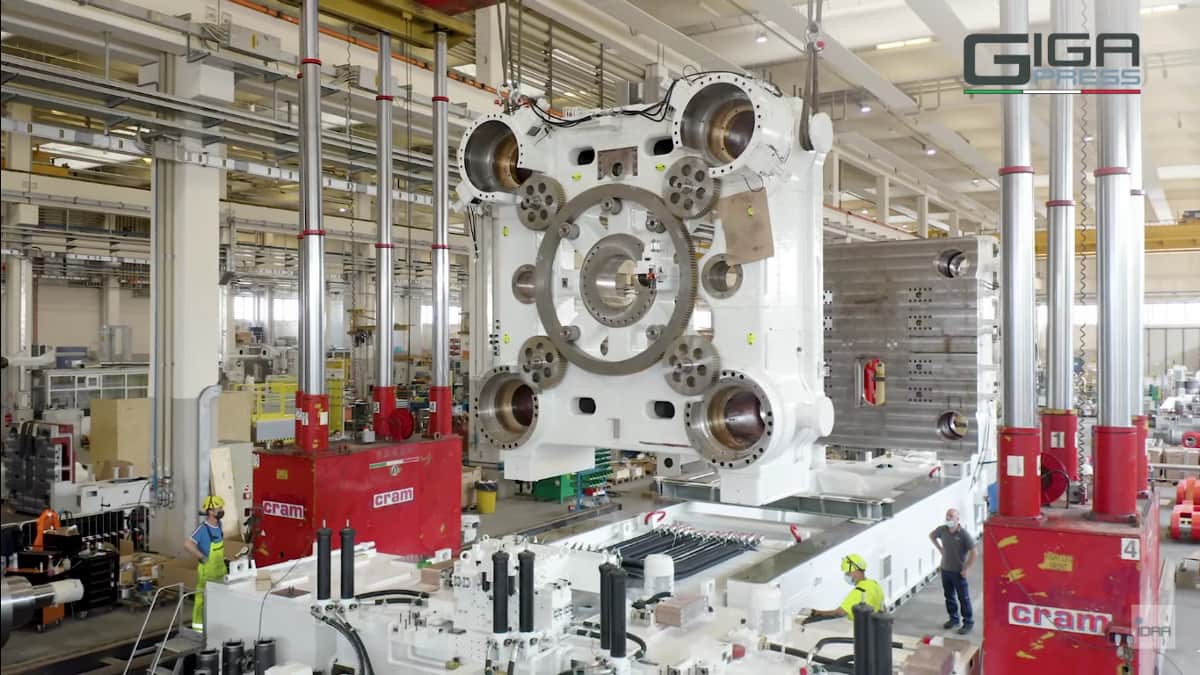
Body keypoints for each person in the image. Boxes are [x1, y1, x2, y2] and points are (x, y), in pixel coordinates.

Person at [930, 508, 976, 634]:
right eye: (947, 515)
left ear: (957, 519)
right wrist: (940, 548)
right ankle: (954, 619)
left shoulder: (963, 535)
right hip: (945, 570)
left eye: (951, 516)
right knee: (949, 596)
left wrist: (966, 568)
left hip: (958, 572)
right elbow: (932, 536)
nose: (948, 518)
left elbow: (974, 552)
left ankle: (968, 622)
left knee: (963, 598)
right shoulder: (942, 530)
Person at [184, 495, 226, 631]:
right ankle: (199, 628)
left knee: (218, 599)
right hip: (207, 571)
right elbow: (188, 544)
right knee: (202, 599)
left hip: (220, 570)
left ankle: (215, 625)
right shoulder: (203, 529)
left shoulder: (219, 525)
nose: (221, 510)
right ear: (210, 511)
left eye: (221, 507)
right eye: (218, 508)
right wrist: (201, 557)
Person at [803, 553, 885, 623]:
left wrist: (815, 612)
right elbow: (882, 607)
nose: (847, 576)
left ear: (856, 571)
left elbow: (840, 613)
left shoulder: (859, 591)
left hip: (861, 629)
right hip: (875, 626)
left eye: (848, 573)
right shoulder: (874, 583)